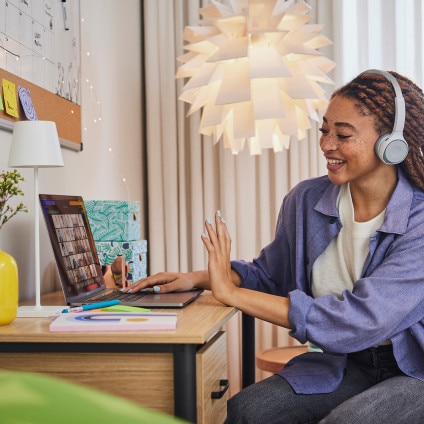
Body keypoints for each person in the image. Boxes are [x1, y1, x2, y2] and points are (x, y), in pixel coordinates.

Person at [124, 70, 424, 423]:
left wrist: (230, 294)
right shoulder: (306, 200)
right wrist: (201, 278)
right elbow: (270, 276)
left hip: (413, 371)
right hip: (345, 363)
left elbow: (357, 321)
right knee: (248, 410)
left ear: (392, 143)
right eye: (324, 130)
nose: (327, 144)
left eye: (342, 135)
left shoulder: (419, 220)